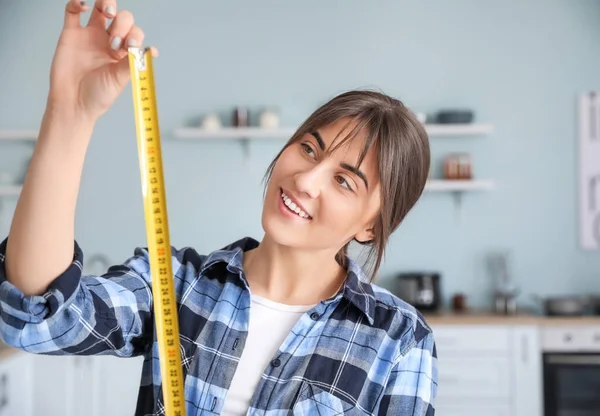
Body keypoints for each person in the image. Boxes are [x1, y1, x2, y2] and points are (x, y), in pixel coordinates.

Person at [0, 1, 438, 415]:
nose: (305, 180)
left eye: (343, 181)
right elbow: (39, 319)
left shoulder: (398, 339)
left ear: (371, 228)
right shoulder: (175, 286)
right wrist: (69, 114)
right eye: (308, 148)